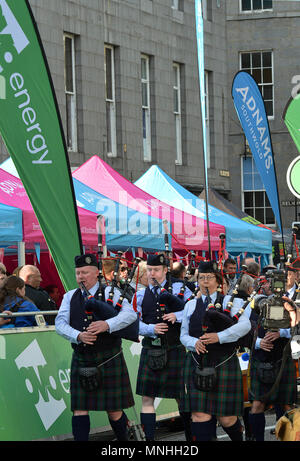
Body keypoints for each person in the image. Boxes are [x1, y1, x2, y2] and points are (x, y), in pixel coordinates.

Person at [55, 254, 136, 442]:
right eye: (77, 273)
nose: (80, 276)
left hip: (109, 357)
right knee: (79, 408)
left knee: (114, 409)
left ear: (96, 273)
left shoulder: (111, 292)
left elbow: (130, 315)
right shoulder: (69, 296)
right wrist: (78, 335)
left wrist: (107, 325)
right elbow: (60, 323)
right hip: (82, 357)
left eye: (84, 272)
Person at [180, 260, 251, 441]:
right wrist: (194, 343)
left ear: (218, 281)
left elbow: (244, 326)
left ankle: (238, 435)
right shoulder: (190, 305)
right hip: (197, 364)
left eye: (209, 277)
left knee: (226, 418)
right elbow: (183, 335)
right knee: (199, 415)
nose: (205, 281)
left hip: (224, 362)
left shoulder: (232, 302)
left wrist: (219, 337)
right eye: (201, 278)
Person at [133, 253, 193, 441]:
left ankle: (192, 438)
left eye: (156, 270)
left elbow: (194, 312)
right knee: (147, 398)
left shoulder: (180, 289)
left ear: (165, 271)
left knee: (182, 397)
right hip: (151, 350)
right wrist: (150, 329)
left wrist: (178, 316)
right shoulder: (140, 294)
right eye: (149, 270)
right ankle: (149, 441)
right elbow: (133, 321)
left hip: (175, 348)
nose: (152, 274)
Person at [247, 267, 298, 442]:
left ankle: (286, 438)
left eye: (274, 281)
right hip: (260, 359)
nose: (270, 284)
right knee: (256, 405)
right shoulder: (253, 303)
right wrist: (259, 343)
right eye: (267, 280)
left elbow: (295, 327)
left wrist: (280, 333)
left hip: (282, 358)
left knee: (287, 406)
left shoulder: (288, 302)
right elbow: (243, 331)